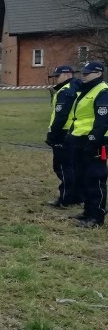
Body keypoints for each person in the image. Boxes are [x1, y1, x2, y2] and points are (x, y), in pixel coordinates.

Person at [67, 61, 108, 228]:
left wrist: (92, 141)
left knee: (95, 178)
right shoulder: (86, 90)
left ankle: (96, 216)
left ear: (98, 73)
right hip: (80, 139)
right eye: (82, 73)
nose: (83, 76)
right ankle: (87, 211)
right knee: (82, 177)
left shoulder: (103, 91)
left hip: (96, 141)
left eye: (87, 73)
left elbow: (103, 122)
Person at [45, 65, 82, 208]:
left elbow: (61, 116)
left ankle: (67, 197)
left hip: (64, 133)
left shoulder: (65, 91)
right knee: (74, 165)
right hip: (76, 131)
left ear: (67, 75)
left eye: (58, 76)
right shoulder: (80, 87)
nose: (56, 79)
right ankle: (78, 195)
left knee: (62, 166)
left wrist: (53, 134)